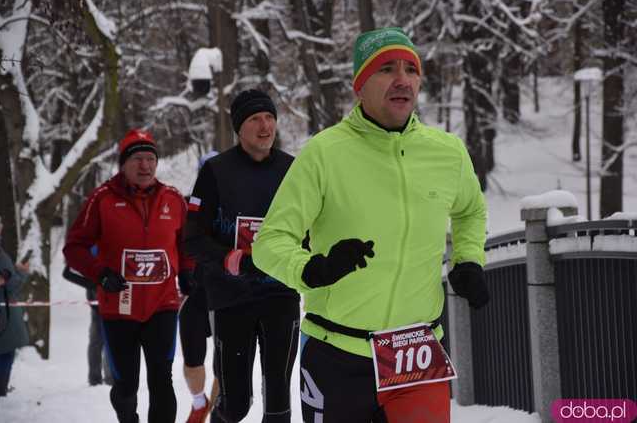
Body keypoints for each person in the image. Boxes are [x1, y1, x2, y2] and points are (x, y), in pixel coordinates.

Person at [252, 27, 489, 423]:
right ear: (359, 86)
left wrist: (468, 259)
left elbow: (470, 210)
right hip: (337, 352)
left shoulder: (446, 152)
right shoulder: (324, 153)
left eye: (411, 70)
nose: (402, 80)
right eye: (386, 69)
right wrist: (312, 268)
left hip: (416, 354)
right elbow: (270, 240)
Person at [184, 89, 300, 423]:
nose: (265, 126)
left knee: (278, 401)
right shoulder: (216, 171)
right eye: (255, 119)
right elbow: (193, 238)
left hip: (280, 294)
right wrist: (228, 258)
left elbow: (311, 228)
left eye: (269, 118)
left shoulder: (293, 169)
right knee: (235, 404)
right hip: (232, 298)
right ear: (239, 127)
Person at [63, 129, 195, 423]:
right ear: (123, 164)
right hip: (118, 307)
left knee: (162, 380)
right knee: (126, 385)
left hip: (162, 305)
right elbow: (74, 247)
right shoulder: (102, 199)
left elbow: (187, 244)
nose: (145, 166)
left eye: (150, 159)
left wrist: (187, 272)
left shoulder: (173, 199)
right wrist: (100, 273)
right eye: (138, 159)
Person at [178, 150, 220, 423]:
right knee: (193, 357)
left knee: (224, 362)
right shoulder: (184, 204)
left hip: (223, 291)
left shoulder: (234, 204)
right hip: (193, 290)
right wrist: (181, 272)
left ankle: (216, 410)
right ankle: (198, 401)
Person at [62, 260, 113, 386]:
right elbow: (68, 273)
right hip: (98, 307)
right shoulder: (92, 251)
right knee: (98, 342)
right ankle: (96, 379)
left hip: (114, 306)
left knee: (109, 343)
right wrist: (93, 284)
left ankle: (109, 378)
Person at [0, 214, 30, 398]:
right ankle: (0, 392)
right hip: (3, 315)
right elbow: (12, 285)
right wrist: (22, 273)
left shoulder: (1, 253)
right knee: (5, 352)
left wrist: (14, 271)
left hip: (4, 312)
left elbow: (6, 278)